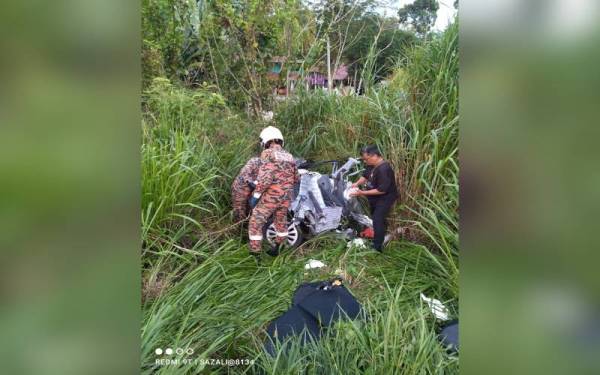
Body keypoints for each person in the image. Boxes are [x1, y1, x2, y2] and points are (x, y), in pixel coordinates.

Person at [247, 126, 299, 258]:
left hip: (271, 197)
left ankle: (255, 256)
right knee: (281, 222)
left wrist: (256, 194)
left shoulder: (268, 153)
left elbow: (265, 177)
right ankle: (277, 249)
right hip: (286, 197)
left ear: (266, 141)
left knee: (255, 222)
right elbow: (297, 178)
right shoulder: (289, 156)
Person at [350, 145, 398, 252]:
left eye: (366, 159)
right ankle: (382, 235)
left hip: (385, 197)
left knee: (377, 219)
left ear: (375, 156)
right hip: (374, 197)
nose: (365, 162)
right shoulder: (371, 164)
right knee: (377, 218)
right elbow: (365, 176)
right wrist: (356, 184)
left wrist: (362, 192)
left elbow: (382, 190)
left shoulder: (384, 169)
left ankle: (377, 247)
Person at [231, 157, 262, 222]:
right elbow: (244, 174)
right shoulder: (255, 161)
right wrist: (252, 183)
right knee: (239, 210)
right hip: (240, 189)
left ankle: (246, 224)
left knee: (249, 208)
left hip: (252, 191)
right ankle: (239, 227)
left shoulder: (271, 165)